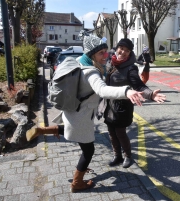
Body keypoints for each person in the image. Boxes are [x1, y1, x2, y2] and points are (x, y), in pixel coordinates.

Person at [26, 33, 146, 193]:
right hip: (81, 116)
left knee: (71, 131)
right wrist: (127, 91)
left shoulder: (78, 63)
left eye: (105, 51)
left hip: (71, 112)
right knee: (88, 151)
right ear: (91, 54)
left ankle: (42, 130)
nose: (106, 55)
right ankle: (77, 183)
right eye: (101, 53)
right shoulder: (91, 72)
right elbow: (102, 90)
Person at [102, 38, 166, 168]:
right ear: (117, 48)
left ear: (130, 53)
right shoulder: (110, 62)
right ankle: (117, 155)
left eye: (127, 50)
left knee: (120, 133)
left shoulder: (131, 68)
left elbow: (139, 86)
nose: (123, 52)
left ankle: (128, 156)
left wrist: (151, 95)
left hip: (122, 107)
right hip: (108, 105)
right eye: (121, 48)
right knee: (111, 132)